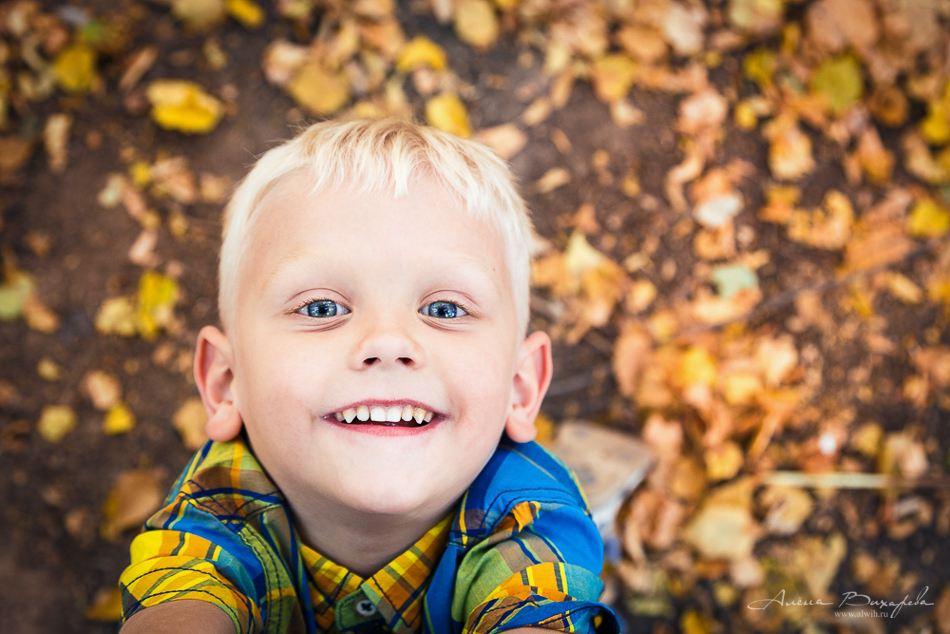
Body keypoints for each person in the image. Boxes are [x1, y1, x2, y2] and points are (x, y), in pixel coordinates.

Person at [118, 117, 619, 634]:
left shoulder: (529, 517)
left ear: (520, 389)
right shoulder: (214, 511)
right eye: (319, 308)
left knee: (565, 570)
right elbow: (182, 589)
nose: (387, 341)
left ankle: (589, 556)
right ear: (226, 383)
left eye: (445, 309)